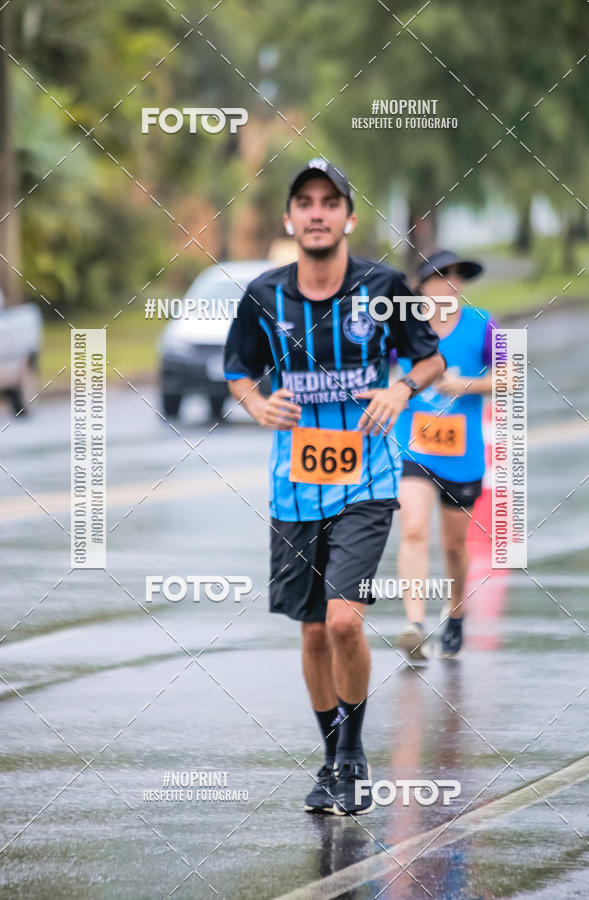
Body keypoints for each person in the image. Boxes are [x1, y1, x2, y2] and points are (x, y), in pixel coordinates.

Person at [223, 158, 445, 815]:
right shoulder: (264, 296)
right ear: (290, 219)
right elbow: (238, 370)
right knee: (313, 633)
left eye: (329, 202)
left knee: (344, 619)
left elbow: (430, 356)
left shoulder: (382, 285)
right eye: (304, 202)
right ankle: (331, 760)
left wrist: (402, 386)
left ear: (349, 217)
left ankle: (353, 757)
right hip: (294, 488)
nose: (317, 212)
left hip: (368, 479)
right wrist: (257, 404)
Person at [394, 250, 496, 662]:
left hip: (462, 453)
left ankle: (455, 612)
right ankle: (414, 624)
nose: (451, 282)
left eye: (458, 276)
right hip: (414, 446)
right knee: (414, 528)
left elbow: (512, 374)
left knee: (454, 546)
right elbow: (376, 371)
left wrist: (465, 386)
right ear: (421, 284)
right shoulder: (402, 325)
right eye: (441, 275)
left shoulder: (481, 324)